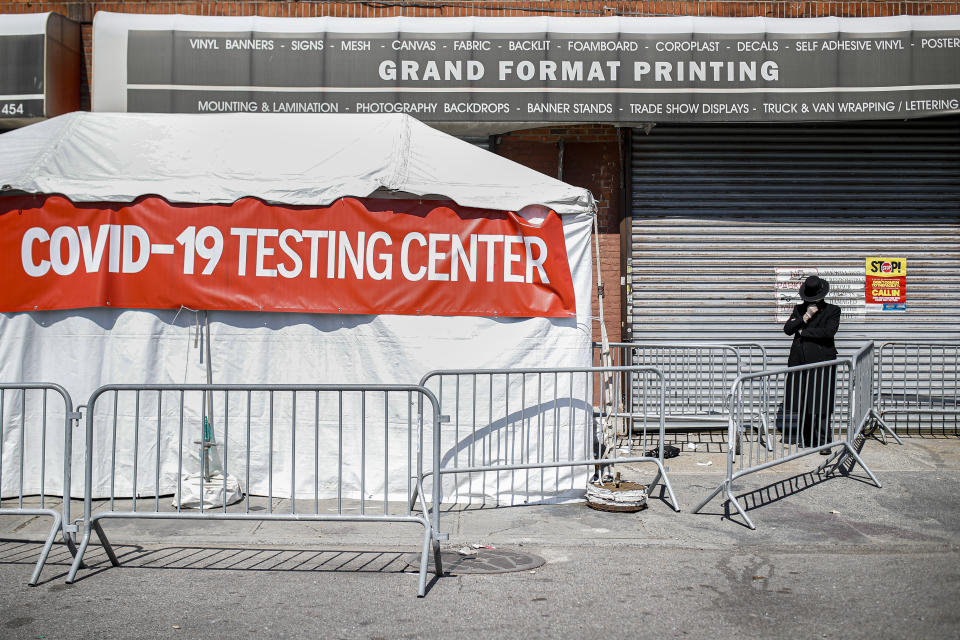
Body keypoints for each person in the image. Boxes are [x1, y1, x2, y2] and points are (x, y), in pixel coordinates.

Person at [782, 275, 841, 453]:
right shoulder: (799, 309)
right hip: (800, 360)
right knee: (803, 399)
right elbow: (787, 330)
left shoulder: (833, 310)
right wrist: (805, 317)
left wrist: (804, 332)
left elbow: (829, 332)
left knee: (821, 401)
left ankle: (824, 442)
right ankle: (807, 439)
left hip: (822, 360)